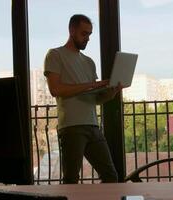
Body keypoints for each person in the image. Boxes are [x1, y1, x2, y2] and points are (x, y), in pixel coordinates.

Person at [43, 14, 120, 184]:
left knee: (111, 176)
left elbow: (95, 99)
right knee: (71, 180)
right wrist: (91, 85)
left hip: (93, 125)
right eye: (84, 34)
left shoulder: (89, 62)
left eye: (90, 34)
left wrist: (111, 91)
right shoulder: (55, 55)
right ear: (72, 31)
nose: (87, 38)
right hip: (71, 127)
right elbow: (55, 89)